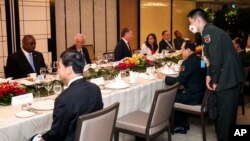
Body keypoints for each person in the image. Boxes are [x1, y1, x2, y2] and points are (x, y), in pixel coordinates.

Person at [187, 8, 244, 141]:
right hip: (229, 77)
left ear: (198, 20)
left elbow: (217, 60)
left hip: (228, 78)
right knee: (226, 116)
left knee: (224, 119)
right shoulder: (208, 32)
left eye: (190, 23)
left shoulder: (209, 33)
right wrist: (208, 75)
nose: (190, 26)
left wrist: (215, 80)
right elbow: (209, 59)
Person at [31, 50, 103, 141]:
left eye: (59, 67)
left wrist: (41, 137)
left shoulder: (64, 99)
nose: (57, 70)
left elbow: (56, 134)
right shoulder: (95, 88)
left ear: (69, 69)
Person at [157, 41, 206, 134]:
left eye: (182, 50)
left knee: (170, 97)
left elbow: (179, 81)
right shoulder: (201, 60)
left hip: (193, 96)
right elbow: (204, 73)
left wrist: (164, 77)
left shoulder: (187, 63)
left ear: (188, 50)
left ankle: (180, 125)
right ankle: (183, 123)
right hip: (202, 94)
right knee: (178, 93)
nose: (181, 52)